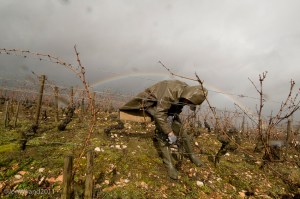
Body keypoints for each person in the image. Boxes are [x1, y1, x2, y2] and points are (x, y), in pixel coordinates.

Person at [119, 80, 207, 179]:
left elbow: (178, 107)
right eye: (188, 102)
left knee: (184, 134)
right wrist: (169, 132)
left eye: (189, 103)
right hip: (153, 104)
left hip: (169, 110)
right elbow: (159, 114)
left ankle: (192, 156)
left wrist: (173, 118)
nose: (187, 103)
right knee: (163, 137)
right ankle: (169, 164)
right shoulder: (169, 93)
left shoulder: (187, 93)